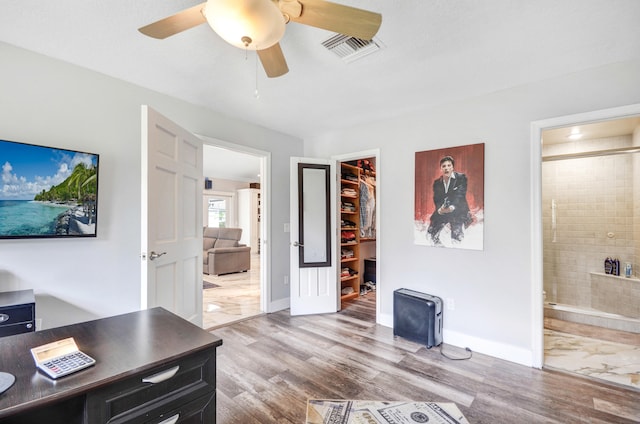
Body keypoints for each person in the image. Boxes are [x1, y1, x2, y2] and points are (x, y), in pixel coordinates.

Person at [427, 155, 472, 246]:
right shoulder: (437, 183)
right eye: (444, 166)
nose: (446, 168)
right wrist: (440, 209)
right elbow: (437, 198)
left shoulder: (461, 178)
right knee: (431, 234)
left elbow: (460, 195)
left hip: (458, 210)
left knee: (457, 238)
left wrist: (451, 207)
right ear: (440, 168)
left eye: (449, 165)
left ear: (452, 167)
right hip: (443, 210)